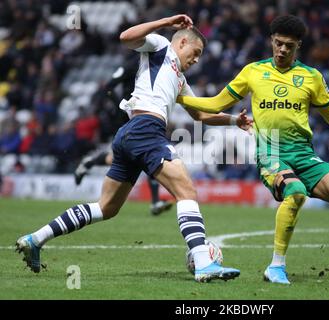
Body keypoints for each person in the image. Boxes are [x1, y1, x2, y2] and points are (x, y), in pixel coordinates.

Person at [16, 14, 252, 283]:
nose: (196, 60)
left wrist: (234, 120)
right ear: (183, 41)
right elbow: (126, 37)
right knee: (186, 190)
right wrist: (166, 23)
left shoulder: (179, 79)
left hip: (129, 134)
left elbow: (200, 115)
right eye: (195, 53)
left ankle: (36, 239)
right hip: (145, 129)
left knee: (106, 207)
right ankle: (203, 264)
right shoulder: (161, 46)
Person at [177, 15, 329, 285]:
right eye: (278, 43)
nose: (282, 50)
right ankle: (275, 266)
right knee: (296, 193)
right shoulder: (253, 72)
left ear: (298, 45)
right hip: (271, 153)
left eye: (289, 45)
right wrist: (179, 96)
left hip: (304, 154)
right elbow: (217, 102)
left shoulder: (311, 77)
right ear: (271, 42)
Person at [73, 54, 172, 216]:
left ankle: (155, 202)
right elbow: (108, 87)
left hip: (147, 116)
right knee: (147, 153)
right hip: (130, 116)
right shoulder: (132, 65)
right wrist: (121, 106)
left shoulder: (157, 68)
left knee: (151, 153)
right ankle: (90, 161)